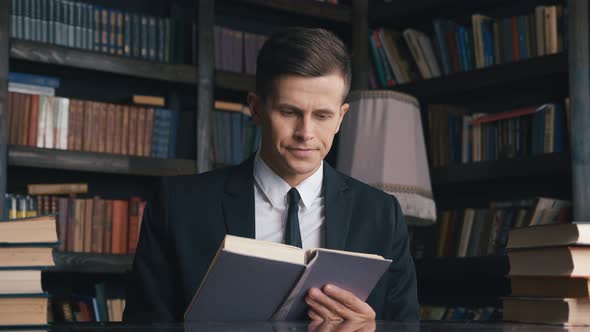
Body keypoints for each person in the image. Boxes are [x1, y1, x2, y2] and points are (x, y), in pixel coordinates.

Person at [123, 27, 419, 322]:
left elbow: (406, 326)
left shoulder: (382, 215)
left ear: (340, 117)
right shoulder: (178, 206)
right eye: (289, 112)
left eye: (322, 116)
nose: (306, 133)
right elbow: (142, 325)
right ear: (256, 108)